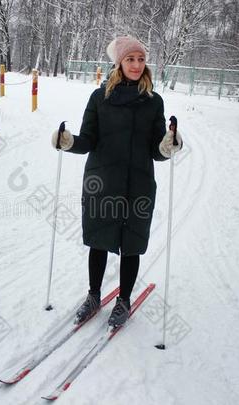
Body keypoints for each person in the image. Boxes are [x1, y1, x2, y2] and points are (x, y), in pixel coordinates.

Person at [50, 36, 182, 328]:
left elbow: (155, 149)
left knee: (131, 244)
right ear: (119, 63)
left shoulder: (153, 101)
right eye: (130, 59)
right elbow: (88, 140)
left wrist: (167, 145)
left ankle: (123, 300)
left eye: (141, 59)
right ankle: (94, 295)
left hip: (139, 182)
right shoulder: (100, 98)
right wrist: (69, 141)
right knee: (98, 239)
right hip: (103, 180)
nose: (136, 65)